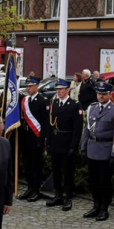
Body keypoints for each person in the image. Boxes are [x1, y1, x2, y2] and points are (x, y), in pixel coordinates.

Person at [80, 82, 114, 221]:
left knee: (104, 182)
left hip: (106, 151)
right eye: (99, 93)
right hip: (92, 149)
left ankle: (104, 209)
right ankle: (96, 206)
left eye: (104, 94)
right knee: (93, 181)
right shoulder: (92, 108)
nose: (101, 96)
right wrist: (83, 148)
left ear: (110, 95)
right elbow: (87, 130)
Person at [45, 79, 83, 210]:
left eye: (61, 89)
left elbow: (77, 129)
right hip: (56, 141)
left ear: (67, 90)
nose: (58, 91)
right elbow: (50, 125)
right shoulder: (54, 103)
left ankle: (67, 196)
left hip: (67, 142)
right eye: (57, 89)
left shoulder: (74, 105)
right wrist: (48, 142)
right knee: (56, 170)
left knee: (67, 171)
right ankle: (58, 194)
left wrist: (73, 146)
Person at [18, 76, 49, 202]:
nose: (28, 88)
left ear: (37, 86)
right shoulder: (25, 100)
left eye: (30, 86)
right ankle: (29, 187)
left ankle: (36, 190)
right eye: (27, 86)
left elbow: (45, 123)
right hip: (26, 137)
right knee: (27, 165)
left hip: (36, 138)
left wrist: (41, 140)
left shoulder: (42, 101)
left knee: (36, 166)